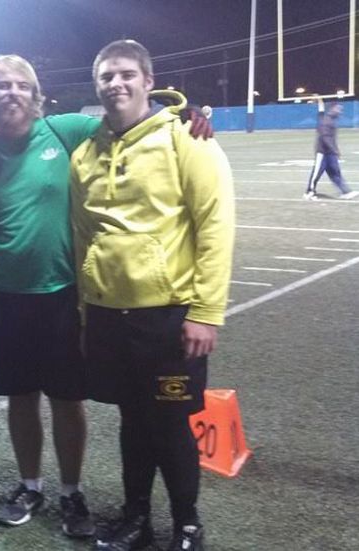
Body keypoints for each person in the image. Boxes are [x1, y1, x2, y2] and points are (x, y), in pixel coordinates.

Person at [69, 40, 235, 551]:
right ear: (97, 85)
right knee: (131, 418)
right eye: (106, 76)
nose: (116, 84)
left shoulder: (186, 138)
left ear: (147, 80)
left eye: (125, 74)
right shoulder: (85, 154)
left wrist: (205, 311)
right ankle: (135, 518)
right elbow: (83, 237)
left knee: (169, 422)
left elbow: (215, 225)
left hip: (167, 315)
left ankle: (187, 524)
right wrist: (85, 310)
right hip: (107, 313)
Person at [0, 55, 99, 536]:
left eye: (21, 85)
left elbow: (128, 124)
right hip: (7, 295)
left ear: (35, 94)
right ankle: (30, 485)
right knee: (21, 398)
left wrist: (180, 114)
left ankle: (71, 492)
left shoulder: (64, 131)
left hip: (62, 294)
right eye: (1, 85)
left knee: (67, 398)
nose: (12, 92)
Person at [303, 99, 359, 200]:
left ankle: (345, 192)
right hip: (323, 152)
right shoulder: (326, 121)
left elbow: (321, 111)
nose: (340, 111)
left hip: (330, 153)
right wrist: (334, 150)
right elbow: (325, 137)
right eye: (338, 109)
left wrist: (320, 101)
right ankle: (309, 192)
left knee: (335, 173)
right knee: (317, 173)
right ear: (332, 109)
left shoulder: (329, 119)